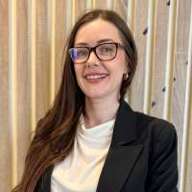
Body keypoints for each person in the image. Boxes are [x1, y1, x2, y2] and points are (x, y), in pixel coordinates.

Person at [12, 9, 178, 192]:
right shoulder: (49, 128)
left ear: (128, 63)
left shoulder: (157, 137)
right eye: (82, 52)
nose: (91, 61)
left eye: (106, 49)